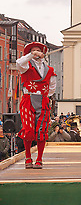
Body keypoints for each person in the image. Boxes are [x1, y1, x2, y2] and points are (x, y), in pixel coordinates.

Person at [16, 41, 57, 169]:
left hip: (42, 100)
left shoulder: (49, 69)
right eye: (33, 50)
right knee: (28, 129)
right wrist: (31, 55)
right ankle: (28, 157)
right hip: (28, 99)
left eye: (38, 50)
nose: (36, 52)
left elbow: (52, 88)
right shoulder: (26, 65)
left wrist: (42, 93)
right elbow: (18, 63)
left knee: (42, 130)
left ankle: (39, 158)